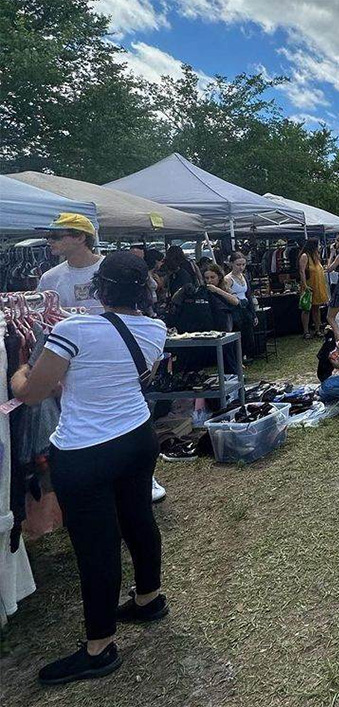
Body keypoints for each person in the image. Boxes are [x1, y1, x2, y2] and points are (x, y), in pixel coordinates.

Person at [12, 252, 169, 685]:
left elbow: (32, 393)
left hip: (85, 450)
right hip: (137, 437)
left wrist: (19, 369)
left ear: (99, 289)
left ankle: (99, 647)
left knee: (96, 546)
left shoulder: (72, 329)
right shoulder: (156, 329)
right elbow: (140, 374)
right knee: (138, 519)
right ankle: (149, 599)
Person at [36, 213, 104, 314]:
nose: (49, 241)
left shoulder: (111, 269)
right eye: (47, 236)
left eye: (55, 236)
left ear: (80, 238)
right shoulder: (49, 278)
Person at [222, 251, 257, 357]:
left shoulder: (244, 276)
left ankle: (245, 355)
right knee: (238, 334)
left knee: (249, 335)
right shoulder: (228, 279)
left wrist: (253, 313)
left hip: (246, 308)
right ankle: (239, 356)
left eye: (243, 264)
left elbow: (248, 295)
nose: (241, 267)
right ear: (231, 264)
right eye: (238, 265)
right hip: (235, 310)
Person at [298, 238, 328, 339]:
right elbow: (301, 271)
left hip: (317, 285)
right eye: (318, 245)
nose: (319, 247)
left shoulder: (316, 256)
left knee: (316, 308)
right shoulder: (305, 256)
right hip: (309, 285)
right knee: (306, 308)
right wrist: (305, 285)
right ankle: (306, 331)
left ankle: (317, 329)